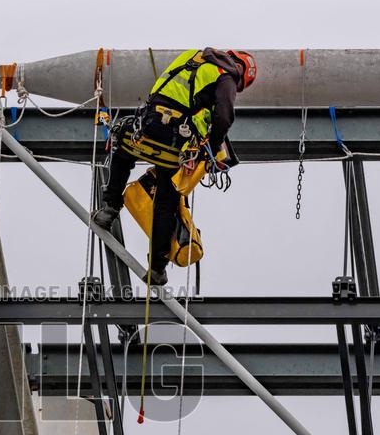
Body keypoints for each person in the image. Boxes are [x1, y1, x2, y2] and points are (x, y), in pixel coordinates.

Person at [92, 48, 257, 285]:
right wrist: (211, 145)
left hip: (147, 125)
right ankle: (157, 268)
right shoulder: (227, 76)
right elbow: (224, 116)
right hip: (174, 139)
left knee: (124, 154)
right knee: (166, 200)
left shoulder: (192, 56)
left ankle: (109, 209)